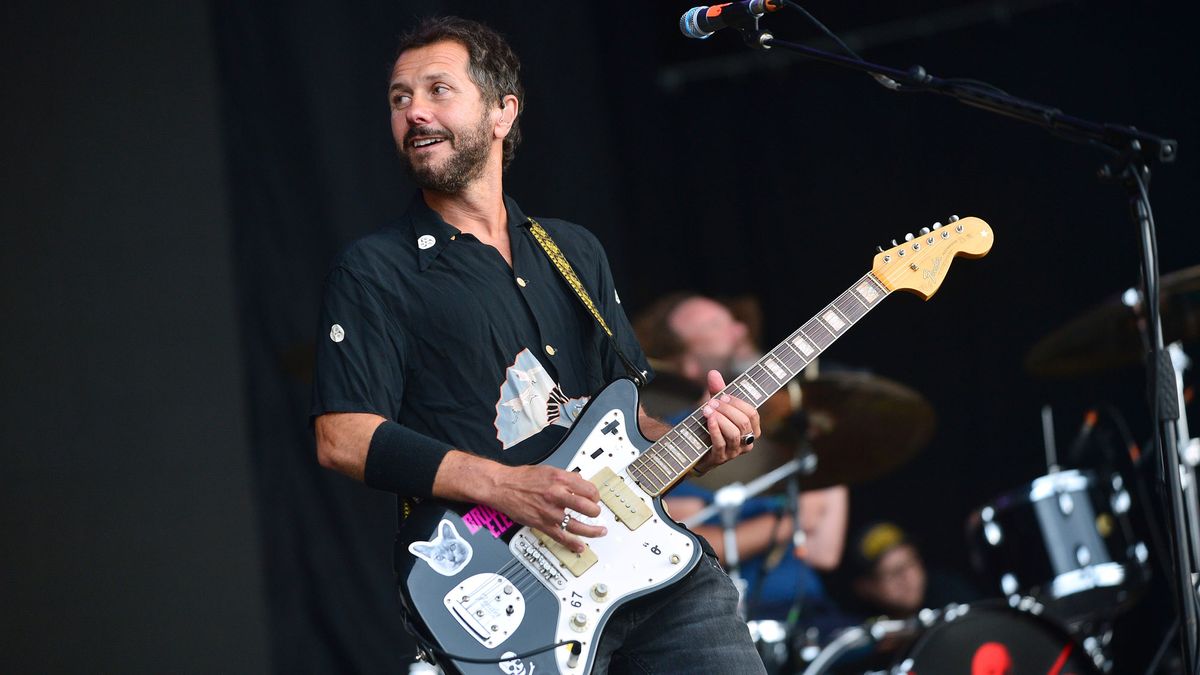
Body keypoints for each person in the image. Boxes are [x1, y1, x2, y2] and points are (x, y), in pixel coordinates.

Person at [309, 16, 766, 673]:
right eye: (399, 98)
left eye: (439, 90)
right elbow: (341, 435)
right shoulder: (376, 268)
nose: (414, 112)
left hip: (647, 569)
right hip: (508, 587)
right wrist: (503, 485)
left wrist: (707, 438)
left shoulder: (573, 249)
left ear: (502, 112)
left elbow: (630, 423)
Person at [634, 293, 850, 630]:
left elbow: (826, 551)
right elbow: (685, 543)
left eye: (735, 321)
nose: (739, 331)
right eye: (715, 326)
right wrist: (797, 517)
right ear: (689, 364)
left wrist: (828, 448)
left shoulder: (789, 438)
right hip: (739, 617)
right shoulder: (668, 441)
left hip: (812, 617)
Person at [847, 521, 980, 619]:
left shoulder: (952, 595)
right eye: (892, 573)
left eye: (910, 564)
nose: (905, 578)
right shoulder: (858, 626)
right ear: (865, 587)